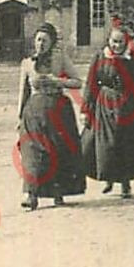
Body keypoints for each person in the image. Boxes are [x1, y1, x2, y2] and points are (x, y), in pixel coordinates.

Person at [83, 21, 134, 199]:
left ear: (126, 42)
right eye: (114, 42)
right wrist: (86, 109)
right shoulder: (100, 57)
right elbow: (91, 84)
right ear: (108, 40)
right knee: (106, 144)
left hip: (129, 106)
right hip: (105, 104)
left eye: (120, 42)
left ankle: (125, 183)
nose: (117, 46)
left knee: (125, 144)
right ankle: (109, 179)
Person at [16, 23, 85, 211]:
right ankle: (30, 194)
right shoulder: (27, 63)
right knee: (32, 153)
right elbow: (23, 93)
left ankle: (58, 191)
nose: (41, 44)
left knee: (58, 151)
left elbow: (78, 82)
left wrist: (58, 80)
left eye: (45, 40)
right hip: (34, 113)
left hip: (58, 110)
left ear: (52, 42)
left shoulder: (60, 59)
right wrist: (19, 118)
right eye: (38, 40)